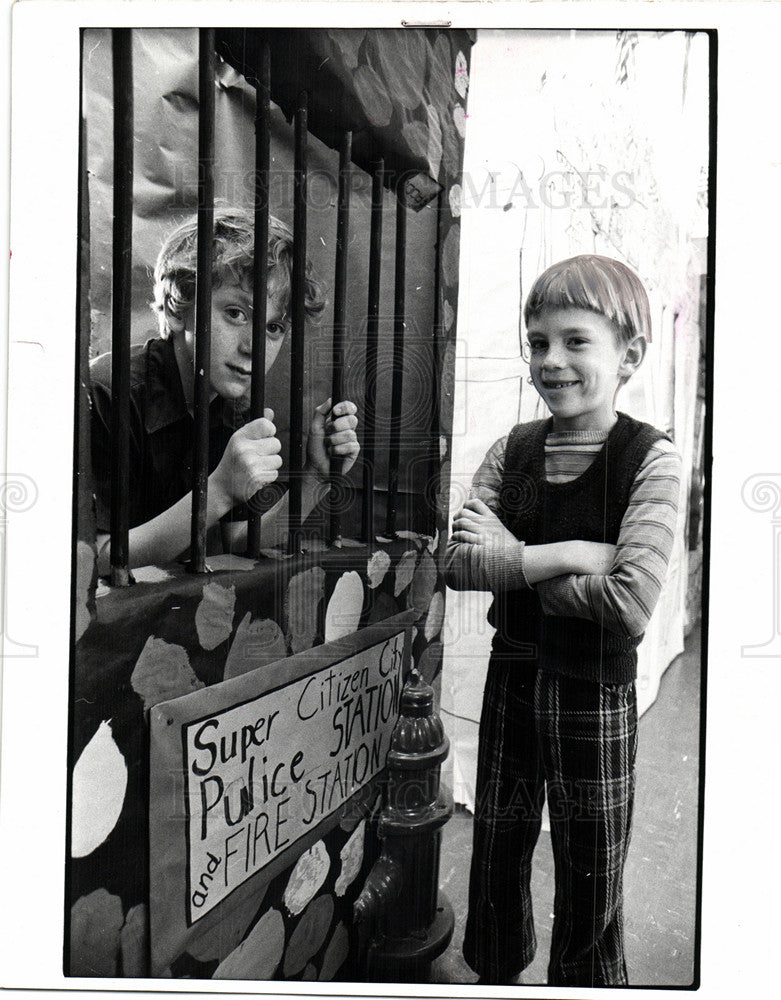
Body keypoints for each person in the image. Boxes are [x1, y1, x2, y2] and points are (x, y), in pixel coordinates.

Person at [445, 254, 682, 986]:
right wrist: (576, 552)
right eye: (537, 341)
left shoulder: (651, 460)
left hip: (593, 694)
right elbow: (455, 565)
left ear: (628, 355)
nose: (551, 361)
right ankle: (494, 973)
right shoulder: (511, 451)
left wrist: (513, 561)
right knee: (496, 847)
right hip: (511, 677)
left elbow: (628, 601)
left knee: (590, 864)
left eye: (575, 341)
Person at [90, 208, 359, 574]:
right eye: (235, 313)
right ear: (177, 307)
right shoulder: (106, 393)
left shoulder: (235, 407)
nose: (254, 347)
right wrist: (217, 491)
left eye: (274, 327)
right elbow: (94, 561)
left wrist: (315, 477)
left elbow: (235, 540)